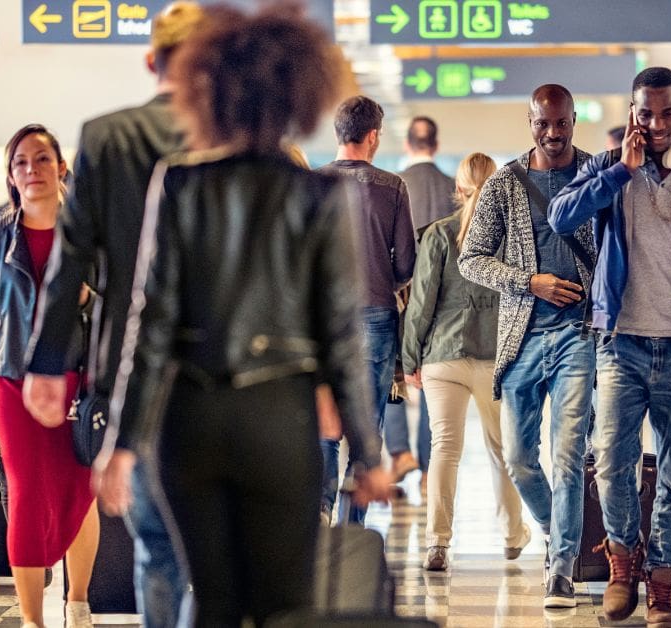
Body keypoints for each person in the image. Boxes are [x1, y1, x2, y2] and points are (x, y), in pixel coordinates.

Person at [96, 6, 390, 626]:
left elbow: (150, 326)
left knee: (211, 601)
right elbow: (340, 335)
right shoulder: (319, 193)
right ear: (296, 98)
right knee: (284, 605)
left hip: (190, 422)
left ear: (209, 91)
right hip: (278, 422)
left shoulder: (178, 182)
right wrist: (366, 452)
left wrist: (122, 443)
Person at [548, 67, 671, 627]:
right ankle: (621, 565)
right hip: (621, 345)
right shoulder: (608, 167)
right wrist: (620, 173)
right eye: (644, 113)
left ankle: (662, 582)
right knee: (612, 464)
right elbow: (561, 214)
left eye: (665, 113)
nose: (655, 124)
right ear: (632, 112)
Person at [22, 5, 204, 626]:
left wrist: (47, 362)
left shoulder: (105, 136)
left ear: (151, 61)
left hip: (132, 366)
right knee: (212, 543)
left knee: (154, 540)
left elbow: (70, 259)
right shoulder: (234, 136)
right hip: (222, 365)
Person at [0, 124, 99, 628]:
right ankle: (34, 621)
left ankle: (78, 604)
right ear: (11, 176)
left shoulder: (89, 233)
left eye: (41, 159)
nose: (31, 170)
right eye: (20, 163)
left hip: (79, 385)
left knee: (79, 492)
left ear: (61, 167)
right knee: (27, 493)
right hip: (14, 385)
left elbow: (118, 307)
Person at [458, 83, 595, 609]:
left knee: (567, 455)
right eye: (543, 124)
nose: (553, 134)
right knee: (518, 459)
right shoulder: (505, 183)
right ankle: (557, 529)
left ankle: (561, 566)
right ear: (530, 121)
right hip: (521, 336)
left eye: (561, 124)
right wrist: (528, 281)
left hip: (579, 334)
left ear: (574, 120)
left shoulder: (593, 175)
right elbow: (472, 259)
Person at [402, 152, 527, 572]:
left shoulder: (438, 234)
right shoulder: (513, 238)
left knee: (445, 449)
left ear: (457, 190)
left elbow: (421, 303)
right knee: (503, 451)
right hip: (497, 357)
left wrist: (409, 359)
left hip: (443, 355)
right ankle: (512, 535)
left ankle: (437, 543)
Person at [317, 95, 417, 525]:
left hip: (321, 321)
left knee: (324, 427)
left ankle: (318, 515)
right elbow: (406, 265)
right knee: (368, 428)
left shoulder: (310, 184)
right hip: (375, 315)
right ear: (373, 137)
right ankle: (349, 530)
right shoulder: (392, 187)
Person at [386, 115, 457, 491]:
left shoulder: (395, 185)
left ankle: (400, 454)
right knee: (432, 381)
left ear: (407, 144)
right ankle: (430, 470)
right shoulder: (451, 187)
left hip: (402, 297)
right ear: (436, 143)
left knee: (395, 375)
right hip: (444, 300)